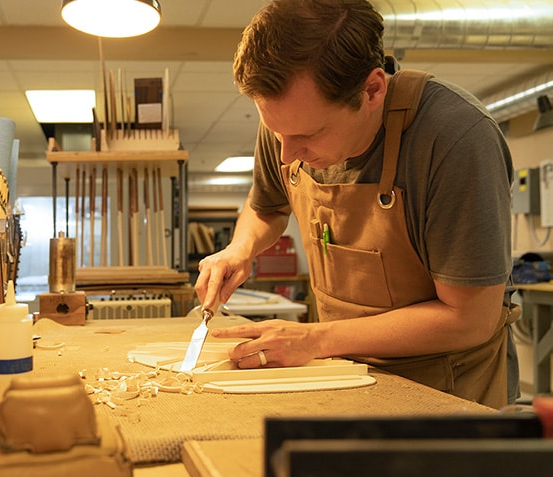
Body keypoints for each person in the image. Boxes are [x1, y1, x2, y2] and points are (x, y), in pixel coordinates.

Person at [194, 0, 520, 409]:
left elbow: (470, 319)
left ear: (372, 90)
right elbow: (267, 207)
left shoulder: (455, 140)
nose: (286, 155)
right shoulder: (288, 126)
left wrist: (316, 339)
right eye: (277, 133)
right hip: (345, 369)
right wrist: (240, 249)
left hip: (448, 388)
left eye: (308, 134)